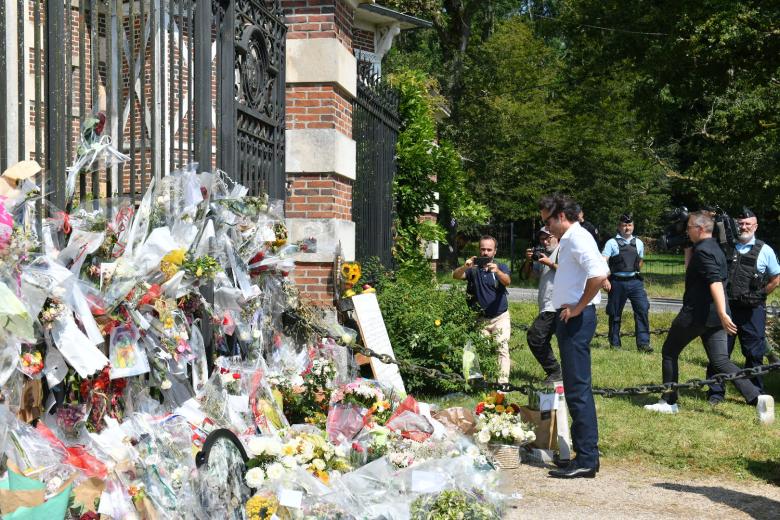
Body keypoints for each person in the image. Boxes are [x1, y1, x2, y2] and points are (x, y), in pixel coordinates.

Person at [645, 211, 773, 417]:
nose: (687, 232)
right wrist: (688, 249)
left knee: (669, 352)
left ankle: (668, 401)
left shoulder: (704, 251)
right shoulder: (715, 248)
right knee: (721, 361)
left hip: (698, 314)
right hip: (714, 317)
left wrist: (723, 313)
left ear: (700, 229)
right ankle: (758, 398)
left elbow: (714, 282)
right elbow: (694, 272)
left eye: (689, 229)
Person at [539, 195, 608, 479]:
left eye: (547, 221)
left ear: (560, 216)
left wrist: (579, 306)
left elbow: (599, 273)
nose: (545, 227)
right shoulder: (568, 238)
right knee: (574, 387)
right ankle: (583, 454)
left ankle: (588, 459)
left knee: (578, 389)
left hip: (577, 319)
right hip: (568, 317)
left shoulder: (578, 238)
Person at [706, 208, 780, 405]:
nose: (744, 227)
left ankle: (755, 393)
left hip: (752, 310)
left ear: (755, 227)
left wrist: (762, 294)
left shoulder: (765, 250)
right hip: (727, 309)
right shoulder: (727, 247)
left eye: (748, 224)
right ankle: (715, 392)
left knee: (754, 353)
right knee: (719, 352)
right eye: (741, 223)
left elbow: (776, 277)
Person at [452, 235, 512, 383]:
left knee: (502, 349)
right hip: (480, 319)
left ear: (495, 252)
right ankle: (482, 382)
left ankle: (502, 386)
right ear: (479, 250)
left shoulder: (501, 266)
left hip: (500, 316)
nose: (485, 253)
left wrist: (496, 271)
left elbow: (507, 281)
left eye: (489, 250)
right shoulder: (473, 269)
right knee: (481, 350)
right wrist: (465, 266)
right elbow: (455, 276)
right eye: (483, 249)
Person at [601, 214, 652, 353]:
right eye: (624, 225)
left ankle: (643, 344)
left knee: (642, 310)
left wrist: (635, 270)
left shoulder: (639, 243)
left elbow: (640, 260)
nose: (627, 228)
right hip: (617, 282)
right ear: (619, 227)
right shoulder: (611, 243)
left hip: (635, 282)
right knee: (615, 313)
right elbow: (602, 261)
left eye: (629, 225)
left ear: (633, 226)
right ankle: (615, 344)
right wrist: (604, 279)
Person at [520, 227, 563, 384]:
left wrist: (550, 263)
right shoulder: (544, 254)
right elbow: (529, 276)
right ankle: (557, 372)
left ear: (557, 236)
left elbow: (570, 273)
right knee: (542, 338)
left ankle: (555, 371)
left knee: (535, 337)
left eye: (548, 237)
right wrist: (528, 261)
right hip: (547, 304)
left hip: (556, 305)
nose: (545, 242)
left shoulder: (562, 250)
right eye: (542, 239)